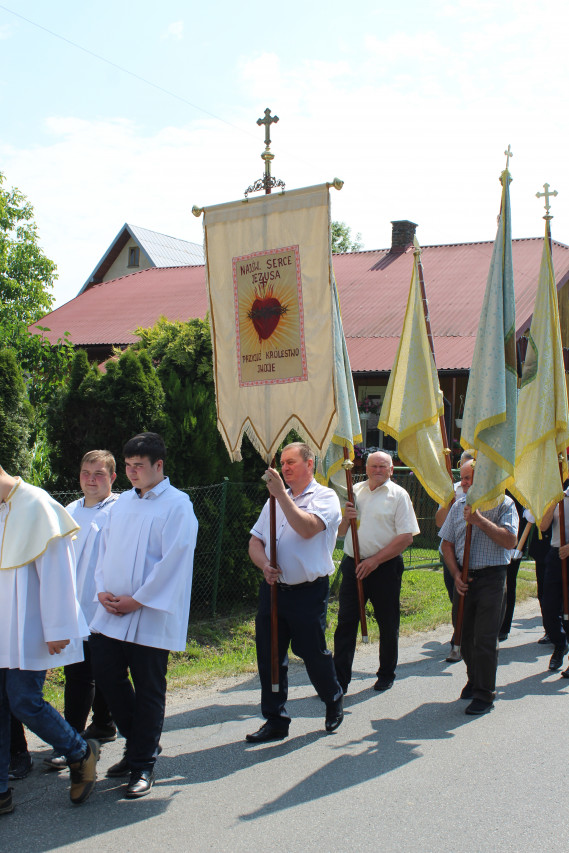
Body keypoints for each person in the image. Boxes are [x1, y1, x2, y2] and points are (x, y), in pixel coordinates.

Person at [89, 433, 198, 798]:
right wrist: (101, 588)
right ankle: (140, 742)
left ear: (158, 465)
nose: (132, 472)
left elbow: (174, 560)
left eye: (139, 466)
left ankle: (142, 764)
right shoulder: (121, 503)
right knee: (106, 674)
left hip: (150, 612)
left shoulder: (178, 505)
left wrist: (138, 600)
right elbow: (104, 550)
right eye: (128, 466)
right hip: (112, 609)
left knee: (149, 688)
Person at [0, 464, 100, 816]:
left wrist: (58, 627)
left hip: (29, 628)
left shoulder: (36, 504)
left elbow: (58, 570)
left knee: (24, 701)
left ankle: (79, 752)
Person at [246, 442, 344, 743]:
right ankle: (276, 719)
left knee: (311, 651)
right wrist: (265, 565)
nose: (285, 468)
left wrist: (281, 497)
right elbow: (255, 542)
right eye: (283, 463)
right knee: (270, 655)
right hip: (274, 590)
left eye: (291, 462)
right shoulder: (274, 501)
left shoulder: (325, 497)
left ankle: (332, 696)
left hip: (308, 592)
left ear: (309, 464)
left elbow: (307, 528)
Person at [44, 450, 119, 771]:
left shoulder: (119, 510)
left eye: (99, 473)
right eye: (86, 473)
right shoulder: (70, 510)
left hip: (106, 605)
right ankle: (78, 735)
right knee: (79, 673)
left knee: (102, 672)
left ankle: (95, 727)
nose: (91, 479)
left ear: (112, 477)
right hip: (74, 604)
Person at [333, 451, 420, 694]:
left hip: (385, 567)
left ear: (391, 470)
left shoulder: (399, 495)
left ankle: (386, 673)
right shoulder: (354, 491)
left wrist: (375, 561)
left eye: (383, 466)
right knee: (346, 623)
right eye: (374, 466)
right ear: (366, 468)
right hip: (353, 565)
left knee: (387, 622)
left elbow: (406, 537)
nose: (378, 470)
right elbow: (340, 532)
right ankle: (339, 680)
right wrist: (345, 519)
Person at [439, 460, 518, 715]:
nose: (463, 483)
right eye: (462, 478)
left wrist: (479, 520)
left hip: (492, 578)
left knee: (484, 638)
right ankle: (474, 679)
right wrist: (455, 574)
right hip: (464, 578)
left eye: (468, 478)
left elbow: (510, 541)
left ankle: (485, 694)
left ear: (483, 479)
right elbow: (447, 544)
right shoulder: (458, 505)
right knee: (463, 635)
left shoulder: (505, 504)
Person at [435, 450, 476, 663]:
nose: (464, 479)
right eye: (462, 471)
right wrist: (447, 501)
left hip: (474, 555)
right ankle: (462, 635)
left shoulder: (487, 491)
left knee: (467, 601)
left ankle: (458, 642)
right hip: (451, 553)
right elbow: (439, 522)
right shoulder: (452, 490)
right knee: (455, 598)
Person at [539, 488, 569, 674]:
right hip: (556, 555)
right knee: (549, 608)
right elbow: (543, 526)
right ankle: (560, 643)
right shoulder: (558, 495)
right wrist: (553, 503)